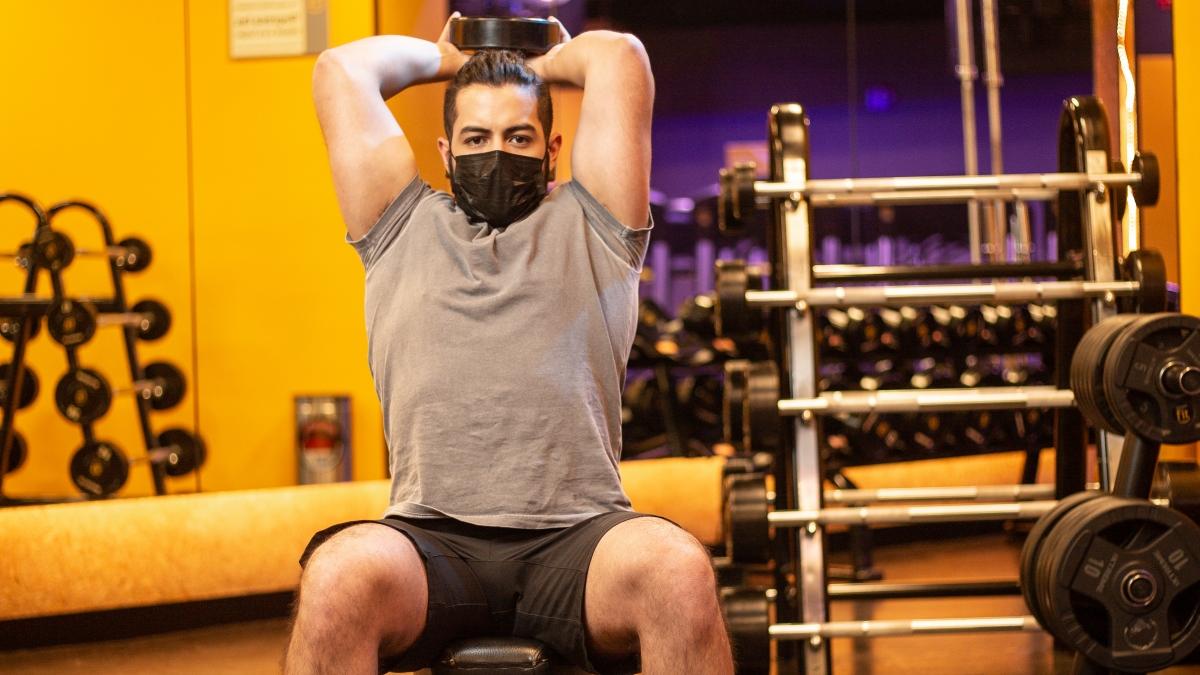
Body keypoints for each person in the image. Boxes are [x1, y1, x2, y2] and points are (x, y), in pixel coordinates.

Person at [283, 13, 733, 675]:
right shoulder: (396, 224)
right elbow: (341, 71)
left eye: (518, 136)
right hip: (431, 538)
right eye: (478, 136)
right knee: (337, 577)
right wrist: (448, 59)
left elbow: (620, 59)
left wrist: (538, 60)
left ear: (552, 150)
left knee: (676, 571)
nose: (498, 151)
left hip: (579, 538)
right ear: (446, 152)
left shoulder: (597, 223)